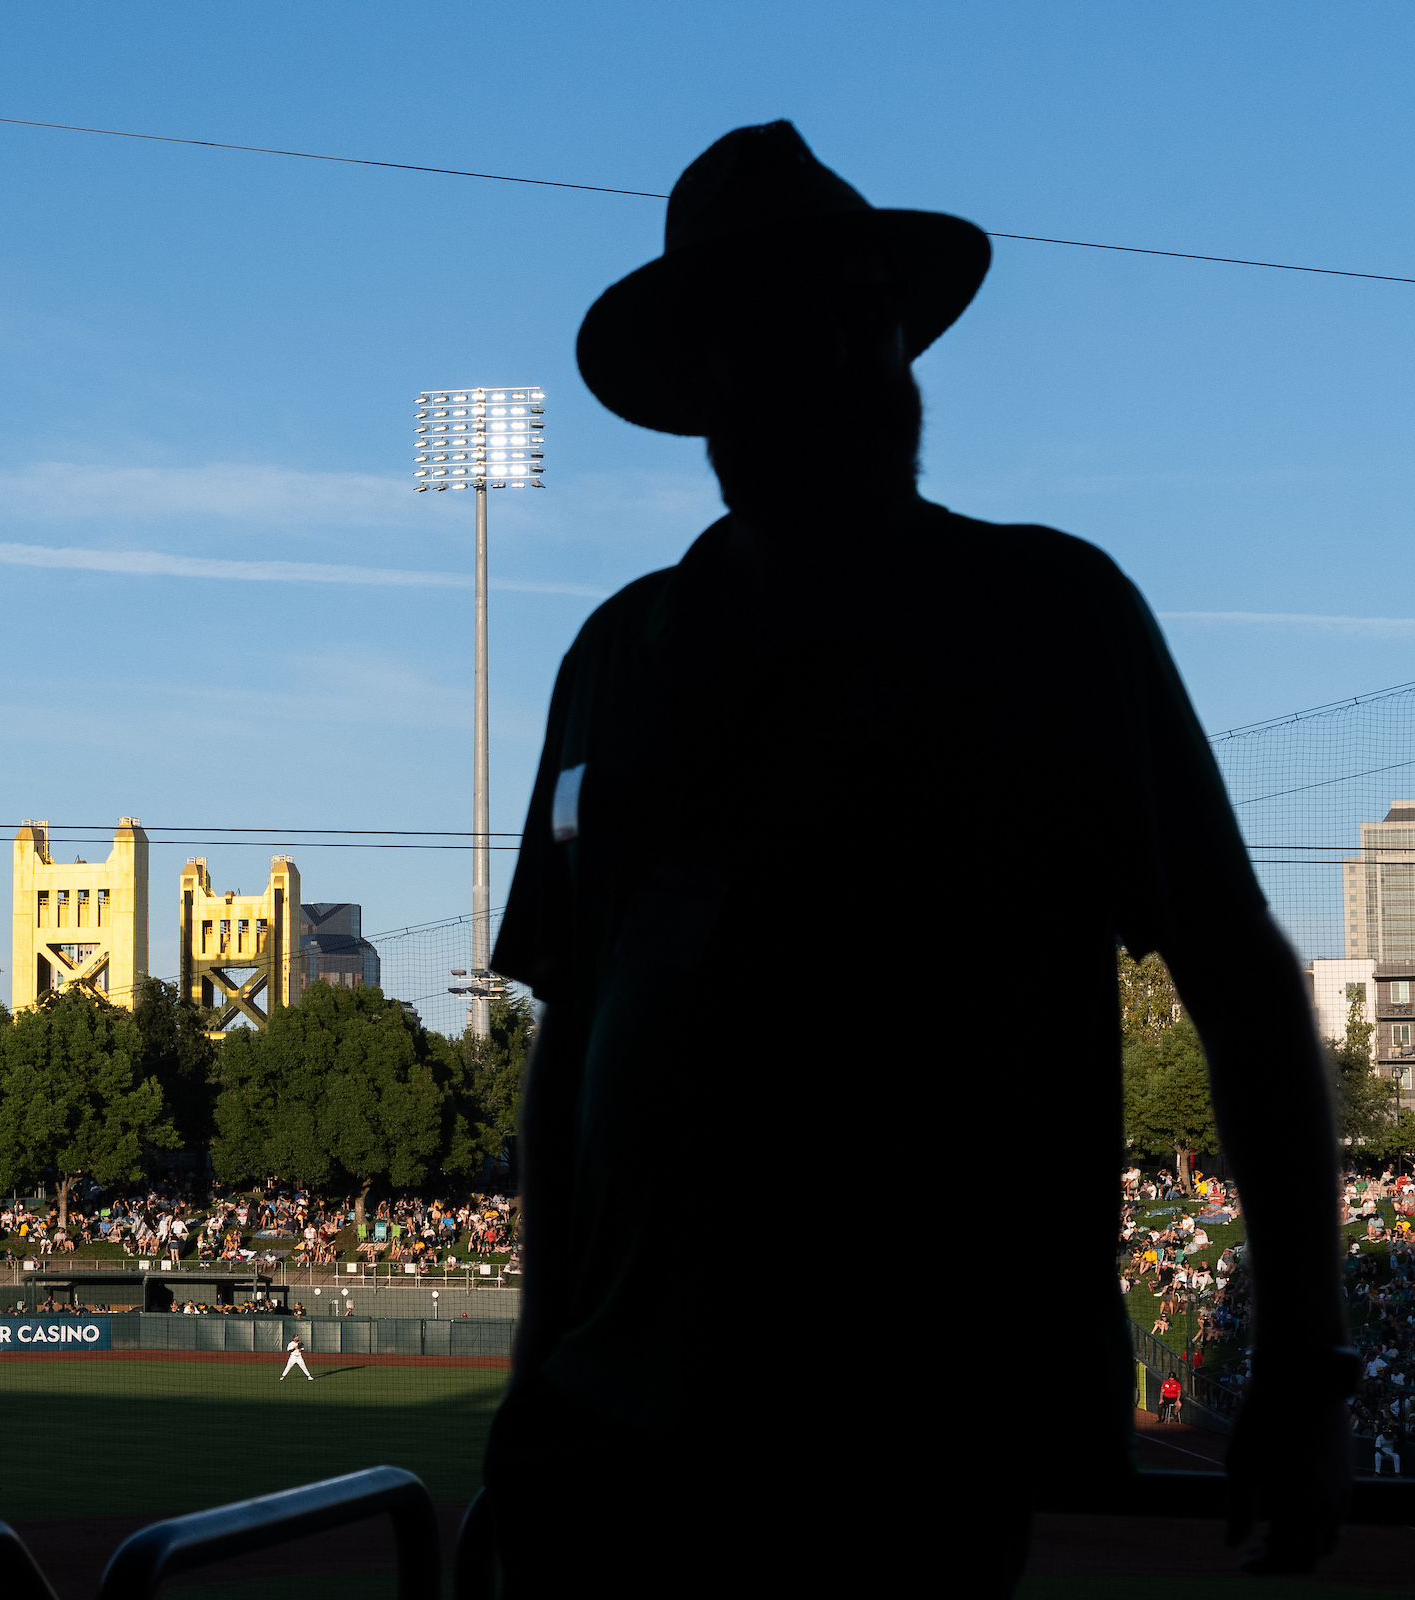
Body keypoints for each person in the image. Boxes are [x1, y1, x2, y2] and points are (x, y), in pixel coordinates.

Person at [484, 120, 1354, 1595]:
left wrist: (1307, 1366)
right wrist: (534, 1380)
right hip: (634, 1424)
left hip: (952, 1435)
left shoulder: (1048, 615)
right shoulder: (612, 656)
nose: (839, 362)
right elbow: (570, 1045)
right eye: (783, 329)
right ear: (705, 386)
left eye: (862, 322)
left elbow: (1244, 977)